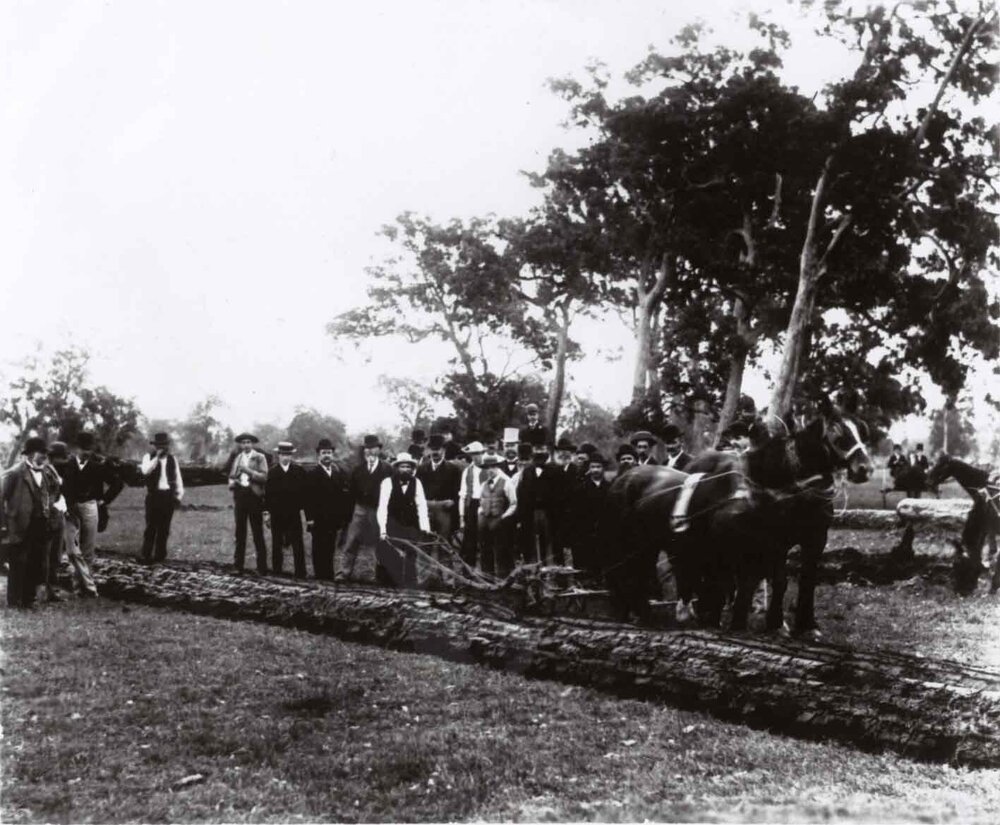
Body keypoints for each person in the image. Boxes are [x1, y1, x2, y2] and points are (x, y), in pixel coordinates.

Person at [2, 437, 63, 608]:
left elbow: (53, 492)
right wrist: (4, 524)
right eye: (41, 453)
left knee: (35, 561)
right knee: (18, 562)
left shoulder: (45, 472)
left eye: (45, 453)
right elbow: (2, 498)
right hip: (19, 524)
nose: (44, 456)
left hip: (40, 523)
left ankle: (28, 600)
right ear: (30, 454)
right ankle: (14, 601)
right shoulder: (15, 473)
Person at [66, 431, 124, 574]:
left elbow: (117, 483)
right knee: (71, 546)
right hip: (70, 510)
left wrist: (103, 500)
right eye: (83, 449)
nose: (86, 452)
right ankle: (73, 574)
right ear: (76, 449)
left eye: (89, 449)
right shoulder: (67, 465)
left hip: (91, 508)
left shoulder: (98, 466)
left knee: (88, 547)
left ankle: (85, 580)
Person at [341, 434, 393, 581]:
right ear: (364, 451)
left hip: (379, 510)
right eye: (367, 449)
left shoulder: (387, 469)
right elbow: (351, 492)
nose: (370, 452)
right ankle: (344, 573)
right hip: (360, 508)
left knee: (381, 541)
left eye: (373, 449)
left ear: (378, 450)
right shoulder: (358, 470)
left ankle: (381, 576)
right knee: (351, 541)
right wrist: (349, 513)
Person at [376, 452, 430, 587]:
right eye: (402, 467)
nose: (405, 470)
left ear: (412, 469)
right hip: (393, 524)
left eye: (408, 467)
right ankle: (387, 584)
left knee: (411, 554)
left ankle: (411, 584)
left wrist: (425, 527)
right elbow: (382, 506)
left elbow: (421, 505)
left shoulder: (416, 482)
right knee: (390, 554)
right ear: (397, 468)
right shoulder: (387, 482)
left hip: (410, 525)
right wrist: (383, 530)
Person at [304, 438, 351, 581]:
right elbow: (308, 499)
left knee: (330, 546)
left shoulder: (338, 473)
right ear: (318, 455)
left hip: (333, 518)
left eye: (329, 453)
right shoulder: (313, 473)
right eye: (324, 452)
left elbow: (342, 497)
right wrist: (309, 518)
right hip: (318, 518)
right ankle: (320, 576)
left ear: (333, 455)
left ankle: (328, 575)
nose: (326, 455)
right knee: (318, 546)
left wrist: (342, 517)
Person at [265, 441, 308, 578]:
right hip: (277, 513)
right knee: (276, 543)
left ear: (291, 455)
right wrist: (267, 513)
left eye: (288, 454)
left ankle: (300, 573)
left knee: (297, 543)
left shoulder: (298, 471)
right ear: (278, 455)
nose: (285, 457)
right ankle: (277, 572)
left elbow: (304, 493)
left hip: (293, 513)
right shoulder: (272, 472)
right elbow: (268, 494)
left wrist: (302, 508)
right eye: (283, 454)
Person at [139, 432, 184, 562]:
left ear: (167, 446)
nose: (162, 448)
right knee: (151, 527)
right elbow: (145, 471)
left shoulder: (172, 459)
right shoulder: (148, 457)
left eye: (164, 445)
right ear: (155, 446)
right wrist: (156, 458)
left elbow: (178, 478)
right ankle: (146, 554)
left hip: (167, 496)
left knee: (164, 528)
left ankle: (160, 556)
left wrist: (178, 496)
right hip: (154, 496)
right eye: (159, 445)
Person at [228, 432, 269, 573]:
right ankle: (238, 565)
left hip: (254, 497)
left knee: (257, 532)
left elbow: (264, 477)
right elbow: (232, 475)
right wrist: (234, 482)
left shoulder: (259, 457)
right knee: (240, 532)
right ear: (240, 444)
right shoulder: (238, 458)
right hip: (240, 495)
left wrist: (248, 471)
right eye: (243, 442)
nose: (246, 445)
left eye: (248, 442)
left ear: (252, 444)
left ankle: (262, 567)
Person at [516, 442, 559, 565]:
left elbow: (558, 493)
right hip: (531, 513)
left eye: (542, 450)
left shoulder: (554, 470)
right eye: (537, 451)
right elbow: (521, 494)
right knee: (532, 542)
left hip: (548, 513)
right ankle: (533, 571)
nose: (539, 454)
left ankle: (550, 571)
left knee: (548, 541)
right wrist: (522, 516)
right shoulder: (527, 471)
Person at [477, 454, 518, 577]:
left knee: (501, 552)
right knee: (485, 551)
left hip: (499, 523)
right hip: (484, 522)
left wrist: (504, 517)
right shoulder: (483, 485)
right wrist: (480, 512)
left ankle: (504, 580)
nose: (490, 470)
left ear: (497, 468)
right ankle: (487, 578)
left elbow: (514, 503)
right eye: (487, 468)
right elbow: (480, 502)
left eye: (493, 467)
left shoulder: (507, 483)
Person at [571, 452, 611, 579]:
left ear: (603, 468)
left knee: (603, 557)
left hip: (604, 529)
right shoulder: (581, 488)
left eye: (598, 467)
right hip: (586, 530)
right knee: (587, 558)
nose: (595, 470)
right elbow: (577, 513)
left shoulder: (610, 488)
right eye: (593, 467)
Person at [417, 434, 462, 540]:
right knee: (424, 538)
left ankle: (442, 554)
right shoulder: (422, 469)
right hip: (426, 508)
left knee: (443, 541)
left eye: (438, 449)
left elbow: (458, 492)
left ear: (444, 450)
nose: (435, 452)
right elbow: (417, 490)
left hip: (444, 509)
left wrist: (452, 502)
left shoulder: (453, 469)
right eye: (432, 449)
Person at [457, 441, 486, 568]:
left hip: (486, 505)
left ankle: (487, 573)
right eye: (473, 454)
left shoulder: (490, 468)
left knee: (486, 540)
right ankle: (468, 573)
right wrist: (462, 517)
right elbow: (462, 495)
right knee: (469, 542)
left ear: (482, 453)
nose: (475, 457)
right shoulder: (467, 471)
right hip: (472, 506)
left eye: (478, 454)